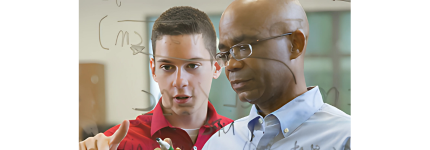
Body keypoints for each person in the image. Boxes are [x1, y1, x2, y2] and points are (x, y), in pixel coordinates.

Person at [79, 6, 233, 150]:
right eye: (167, 67)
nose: (179, 81)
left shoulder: (243, 138)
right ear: (153, 69)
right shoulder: (117, 143)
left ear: (217, 67)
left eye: (192, 66)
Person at [202, 0, 351, 149]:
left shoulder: (345, 139)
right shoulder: (219, 144)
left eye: (243, 48)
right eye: (225, 54)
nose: (231, 65)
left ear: (295, 44)